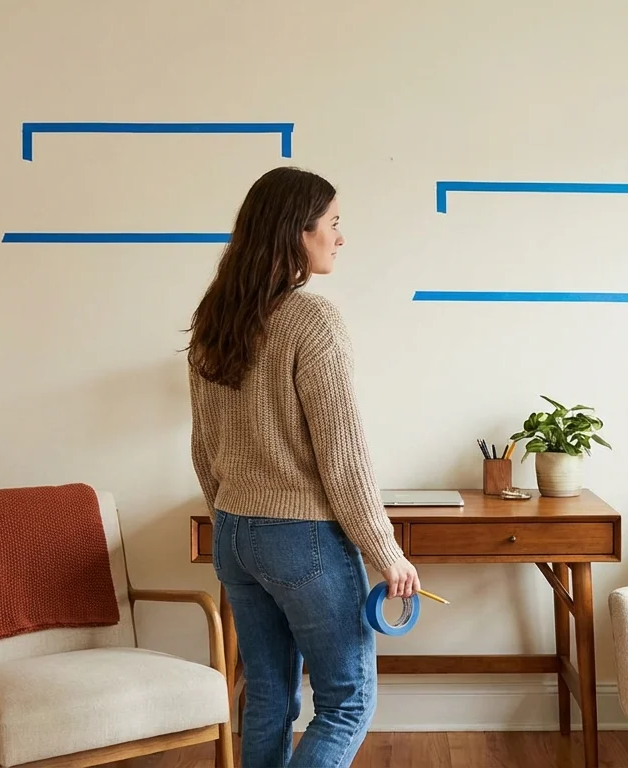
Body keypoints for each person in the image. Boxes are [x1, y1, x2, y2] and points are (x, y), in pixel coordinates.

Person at [186, 166, 421, 767]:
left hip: (234, 535)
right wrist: (387, 552)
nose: (341, 238)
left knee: (268, 694)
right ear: (298, 231)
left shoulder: (214, 318)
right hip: (302, 541)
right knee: (347, 700)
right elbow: (343, 462)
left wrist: (234, 514)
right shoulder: (312, 319)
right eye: (334, 224)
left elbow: (203, 448)